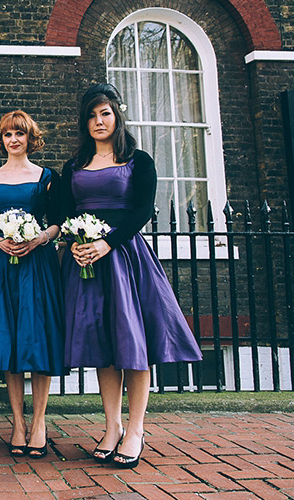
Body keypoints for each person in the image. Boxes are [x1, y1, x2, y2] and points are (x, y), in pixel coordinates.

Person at [61, 83, 202, 469]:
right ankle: (112, 426)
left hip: (125, 258)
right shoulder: (74, 164)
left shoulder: (138, 160)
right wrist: (73, 240)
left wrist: (108, 243)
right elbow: (65, 210)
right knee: (104, 347)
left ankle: (136, 429)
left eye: (104, 113)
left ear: (117, 115)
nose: (98, 121)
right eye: (91, 115)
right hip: (86, 262)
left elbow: (142, 211)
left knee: (132, 345)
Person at [0, 109, 66, 459]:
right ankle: (17, 422)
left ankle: (39, 421)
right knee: (10, 341)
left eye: (20, 134)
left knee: (37, 339)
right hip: (2, 263)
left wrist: (39, 238)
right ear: (1, 140)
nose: (14, 140)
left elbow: (58, 221)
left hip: (37, 264)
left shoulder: (48, 177)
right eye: (8, 134)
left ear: (30, 138)